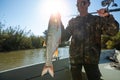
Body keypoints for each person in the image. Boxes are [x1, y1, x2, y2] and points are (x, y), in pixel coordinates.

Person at [61, 0, 119, 80]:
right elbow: (64, 37)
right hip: (75, 60)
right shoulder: (72, 22)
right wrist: (58, 23)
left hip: (92, 60)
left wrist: (107, 17)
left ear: (88, 4)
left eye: (83, 2)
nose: (80, 5)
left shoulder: (97, 20)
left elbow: (113, 31)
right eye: (78, 3)